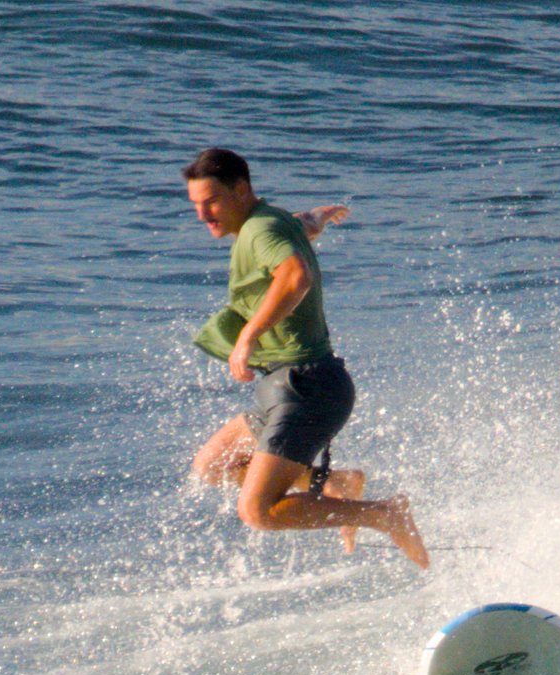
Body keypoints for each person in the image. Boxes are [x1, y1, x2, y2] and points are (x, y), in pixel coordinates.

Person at [183, 148, 428, 568]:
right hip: (283, 387)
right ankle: (333, 481)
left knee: (257, 510)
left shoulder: (260, 232)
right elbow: (298, 229)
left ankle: (385, 514)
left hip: (307, 388)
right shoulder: (268, 223)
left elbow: (296, 275)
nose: (203, 215)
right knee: (211, 466)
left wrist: (248, 336)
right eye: (196, 205)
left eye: (212, 202)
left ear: (241, 190)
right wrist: (315, 218)